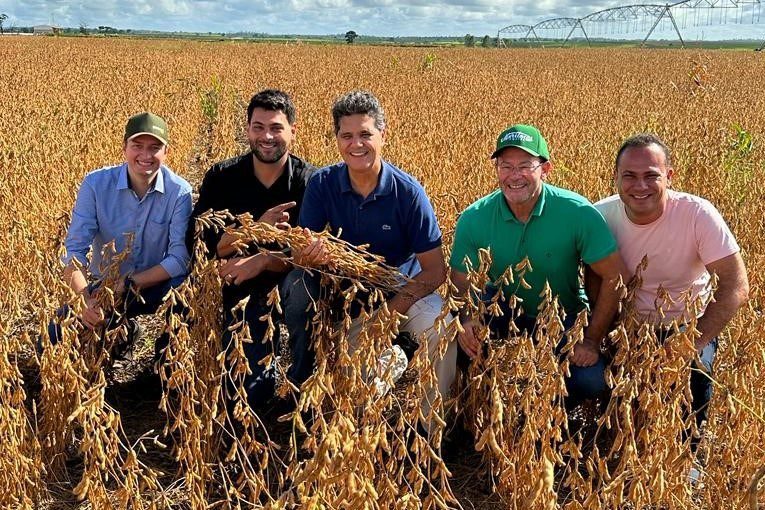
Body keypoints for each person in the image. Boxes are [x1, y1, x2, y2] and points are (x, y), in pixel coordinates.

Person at [281, 90, 456, 424]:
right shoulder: (323, 184)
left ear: (383, 135)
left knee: (442, 328)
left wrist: (388, 314)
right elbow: (303, 252)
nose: (355, 144)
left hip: (407, 288)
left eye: (365, 134)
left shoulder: (407, 193)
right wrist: (311, 255)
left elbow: (435, 272)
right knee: (356, 400)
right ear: (336, 139)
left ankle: (431, 429)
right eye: (346, 136)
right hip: (353, 298)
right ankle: (394, 358)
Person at [450, 124, 628, 408]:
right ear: (496, 169)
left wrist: (592, 340)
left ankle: (555, 419)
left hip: (563, 314)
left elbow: (615, 276)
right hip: (502, 309)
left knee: (590, 380)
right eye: (505, 166)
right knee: (451, 344)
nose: (514, 175)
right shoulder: (474, 217)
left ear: (546, 169)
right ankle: (469, 414)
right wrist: (468, 318)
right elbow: (461, 281)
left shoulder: (577, 212)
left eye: (525, 166)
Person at [594, 133, 749, 444]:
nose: (640, 186)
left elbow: (736, 285)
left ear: (669, 176)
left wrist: (690, 342)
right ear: (615, 178)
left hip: (685, 323)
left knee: (695, 373)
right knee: (616, 396)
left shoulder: (697, 214)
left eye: (651, 176)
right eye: (629, 176)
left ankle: (688, 455)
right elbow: (587, 279)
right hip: (624, 326)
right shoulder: (600, 216)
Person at [187, 89, 316, 408]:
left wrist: (261, 259)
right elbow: (204, 244)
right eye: (258, 127)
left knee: (303, 289)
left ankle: (302, 379)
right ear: (247, 130)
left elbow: (310, 253)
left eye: (276, 127)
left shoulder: (312, 181)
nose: (267, 136)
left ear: (293, 132)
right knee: (247, 395)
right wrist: (257, 227)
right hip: (241, 289)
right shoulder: (222, 176)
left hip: (293, 287)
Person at [48, 112, 192, 360]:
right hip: (106, 285)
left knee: (187, 293)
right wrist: (85, 300)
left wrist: (129, 283)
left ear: (166, 152)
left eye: (154, 148)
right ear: (124, 147)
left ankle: (165, 367)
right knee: (52, 338)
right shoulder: (95, 184)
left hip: (157, 284)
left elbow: (180, 258)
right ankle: (125, 332)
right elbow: (73, 251)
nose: (146, 156)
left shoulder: (180, 192)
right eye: (137, 146)